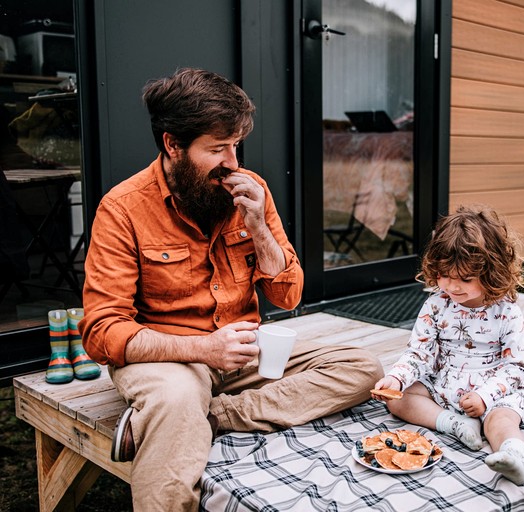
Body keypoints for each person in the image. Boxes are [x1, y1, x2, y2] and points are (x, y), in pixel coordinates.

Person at [79, 68, 383, 510]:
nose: (233, 162)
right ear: (172, 145)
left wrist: (259, 226)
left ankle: (213, 416)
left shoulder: (251, 190)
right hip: (168, 355)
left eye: (236, 145)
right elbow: (102, 332)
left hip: (242, 351)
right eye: (217, 148)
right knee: (177, 398)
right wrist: (203, 350)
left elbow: (288, 296)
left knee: (362, 368)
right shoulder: (122, 209)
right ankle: (181, 416)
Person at [372, 205, 524, 485]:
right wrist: (397, 378)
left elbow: (515, 369)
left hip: (494, 394)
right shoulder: (436, 305)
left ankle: (513, 456)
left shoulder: (506, 312)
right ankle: (455, 424)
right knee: (398, 402)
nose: (453, 286)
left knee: (501, 422)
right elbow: (419, 353)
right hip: (446, 385)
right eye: (445, 275)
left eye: (465, 279)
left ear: (491, 272)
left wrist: (484, 397)